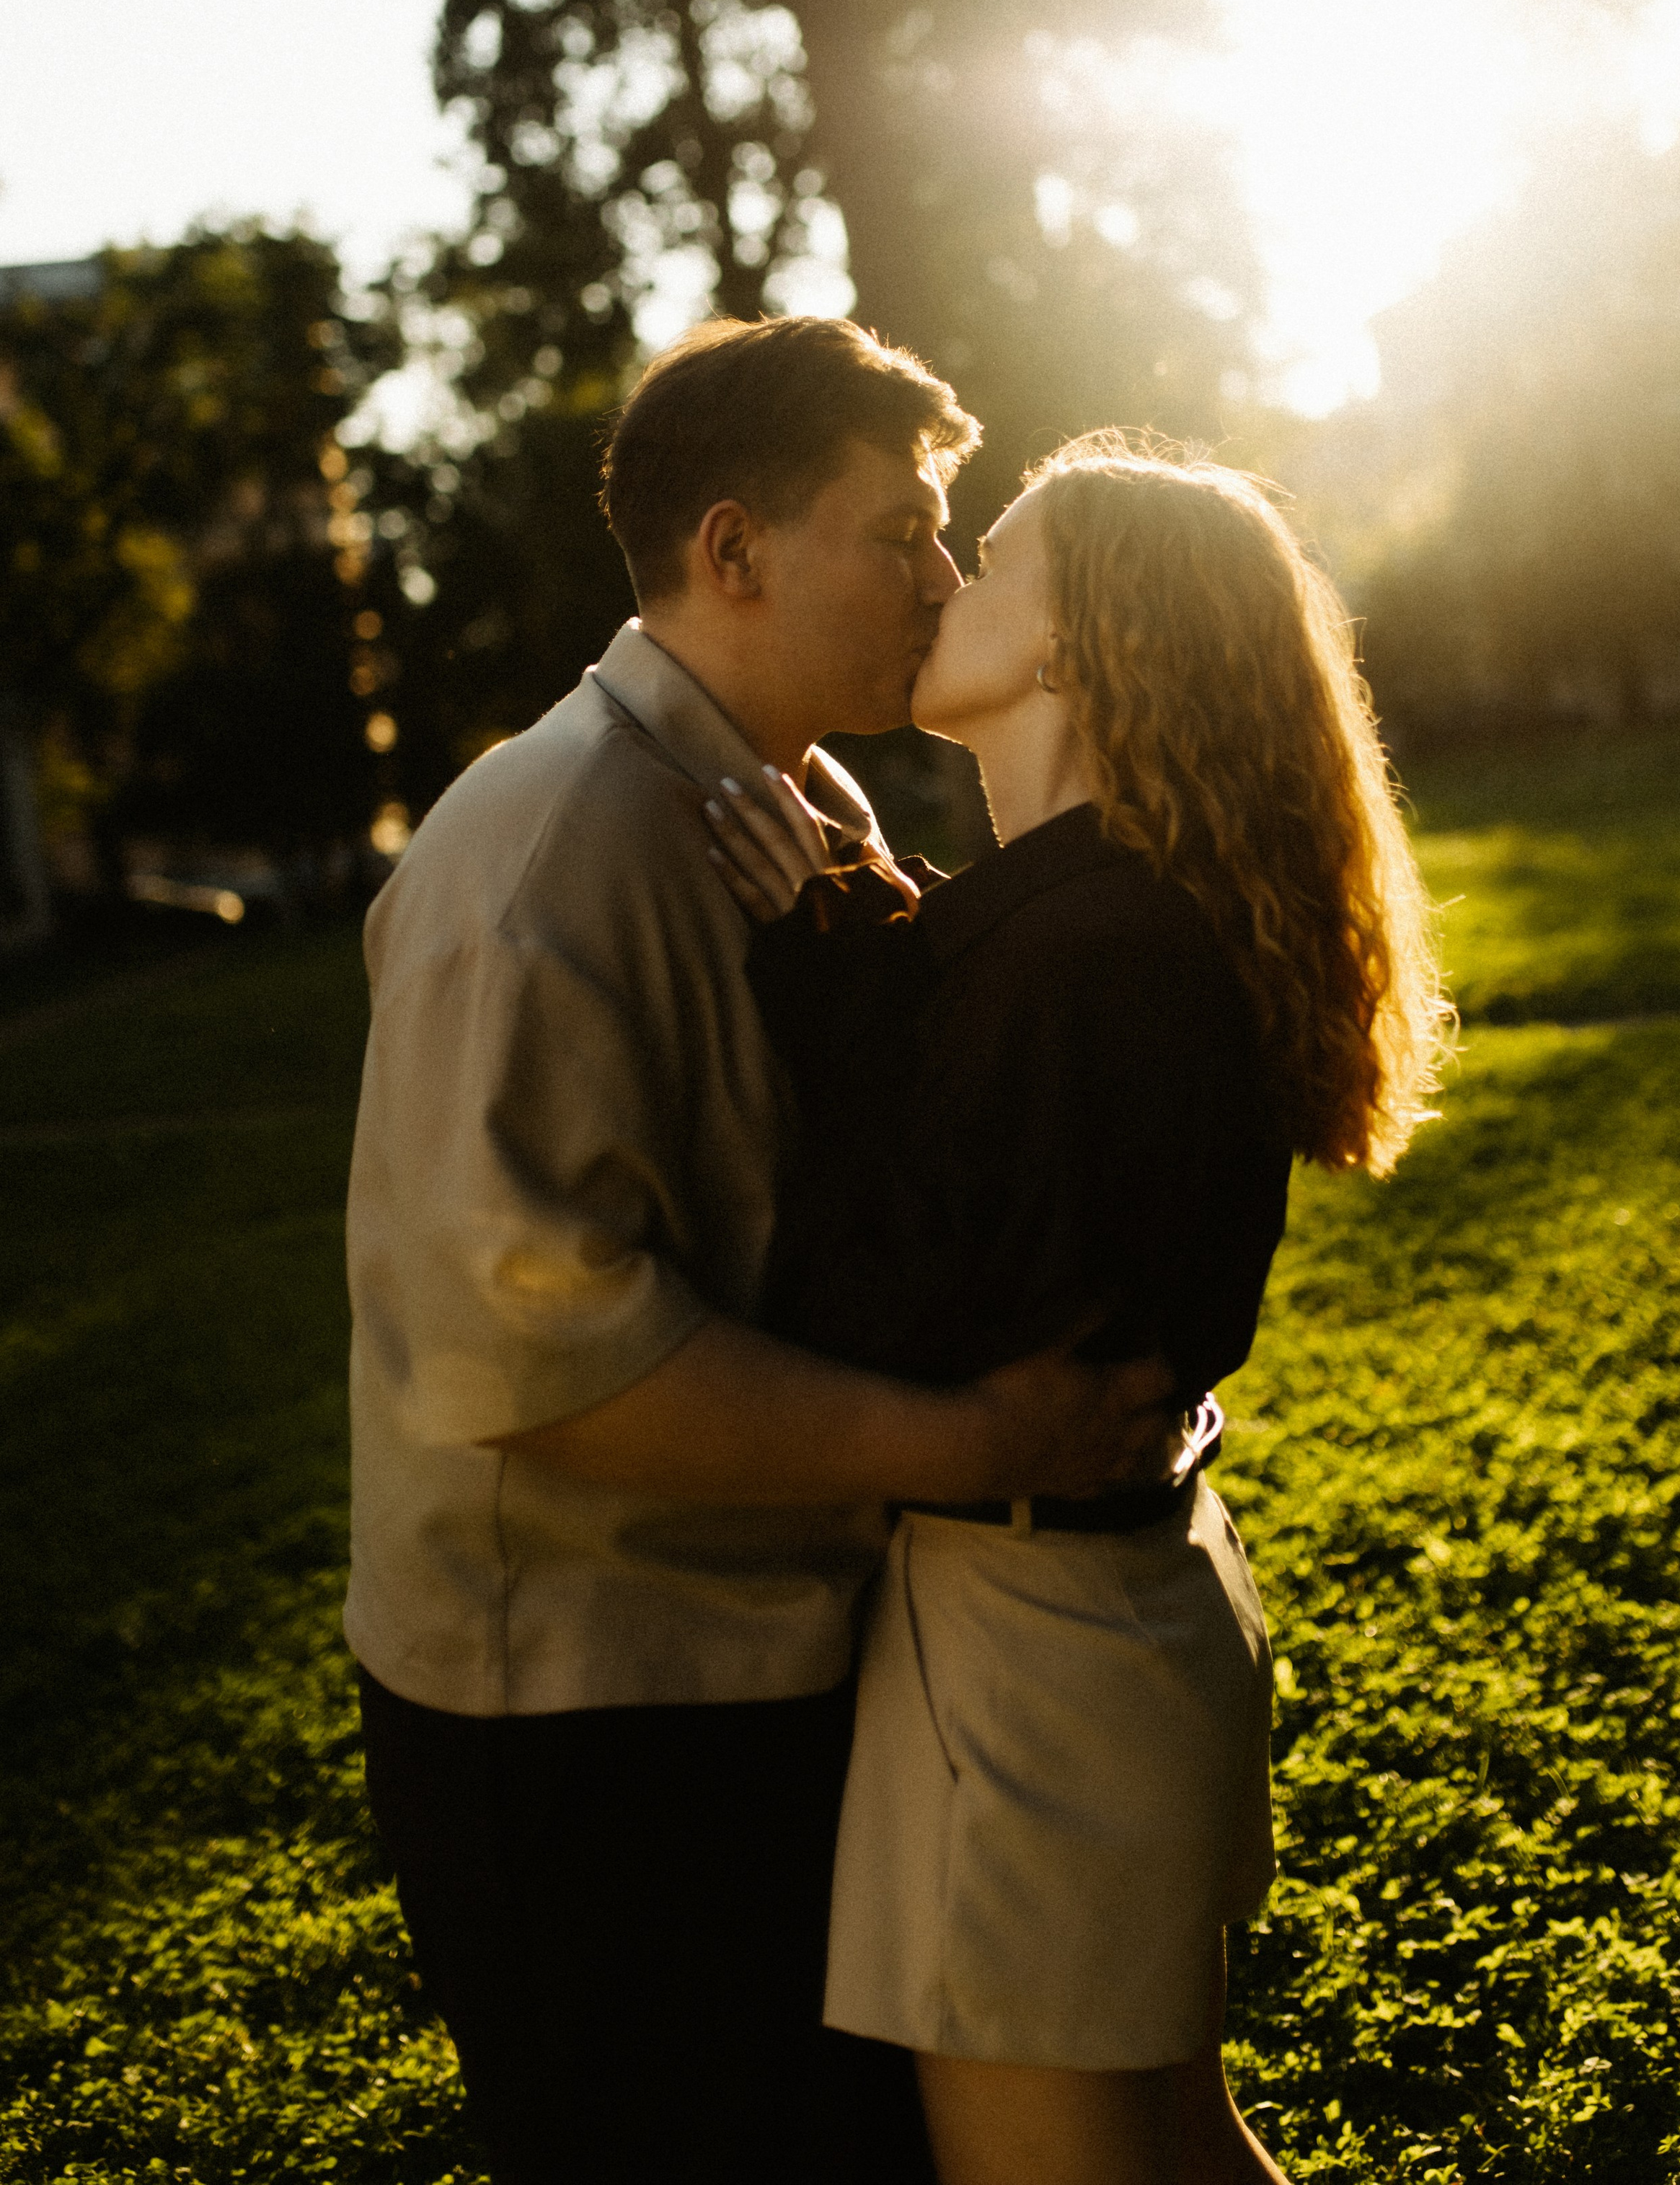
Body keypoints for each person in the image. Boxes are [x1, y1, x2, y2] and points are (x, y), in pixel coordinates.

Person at [344, 323, 1178, 2185]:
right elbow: (538, 1360)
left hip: (781, 1673)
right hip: (585, 1725)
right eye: (902, 533)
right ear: (733, 554)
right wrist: (978, 1451)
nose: (943, 580)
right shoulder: (541, 853)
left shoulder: (803, 801)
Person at [705, 433, 1449, 2185]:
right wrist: (880, 926)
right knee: (1184, 2152)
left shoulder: (1096, 955)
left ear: (1073, 641)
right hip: (1096, 1616)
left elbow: (883, 1303)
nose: (939, 581)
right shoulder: (1098, 921)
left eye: (993, 559)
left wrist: (809, 972)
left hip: (1029, 1659)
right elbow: (993, 1156)